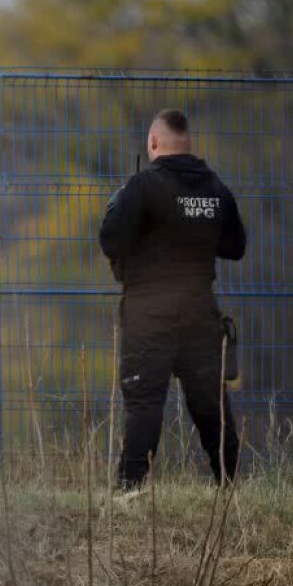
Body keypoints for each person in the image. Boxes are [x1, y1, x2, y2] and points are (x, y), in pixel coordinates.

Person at [99, 110, 245, 489]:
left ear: (153, 143)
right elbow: (235, 246)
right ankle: (229, 489)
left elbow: (109, 241)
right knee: (212, 407)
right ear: (188, 142)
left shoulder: (144, 187)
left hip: (149, 316)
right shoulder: (215, 189)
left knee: (144, 404)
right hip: (199, 312)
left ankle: (129, 492)